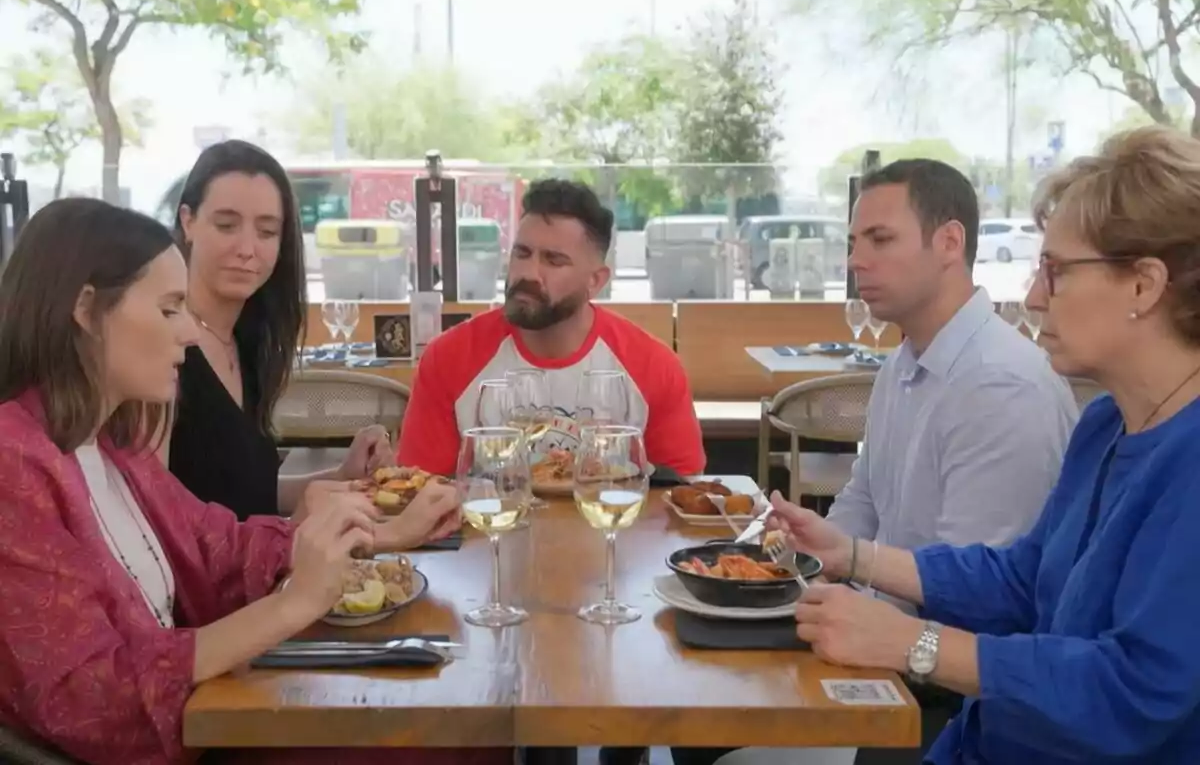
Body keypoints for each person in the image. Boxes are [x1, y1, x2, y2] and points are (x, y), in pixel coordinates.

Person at [0, 198, 493, 765]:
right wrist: (294, 604)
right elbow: (87, 699)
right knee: (454, 739)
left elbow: (217, 546)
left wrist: (374, 534)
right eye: (168, 310)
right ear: (86, 310)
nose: (188, 331)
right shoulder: (15, 464)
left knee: (469, 729)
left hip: (203, 720)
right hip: (172, 744)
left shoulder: (109, 441)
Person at [770, 126, 1200, 764]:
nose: (1031, 297)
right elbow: (1024, 579)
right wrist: (852, 555)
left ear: (1144, 284)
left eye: (1056, 271)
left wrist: (912, 642)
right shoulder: (1107, 423)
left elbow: (1130, 692)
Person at [670, 160, 1079, 765]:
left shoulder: (1002, 386)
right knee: (697, 698)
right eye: (853, 243)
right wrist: (804, 552)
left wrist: (842, 591)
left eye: (880, 240)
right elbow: (861, 503)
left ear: (949, 243)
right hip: (887, 641)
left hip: (946, 700)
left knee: (706, 733)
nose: (856, 261)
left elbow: (981, 596)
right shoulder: (902, 365)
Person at [399, 178, 705, 475]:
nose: (528, 273)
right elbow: (420, 493)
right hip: (490, 526)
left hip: (608, 524)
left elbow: (679, 499)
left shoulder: (652, 365)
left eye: (554, 261)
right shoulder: (449, 358)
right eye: (522, 253)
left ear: (595, 281)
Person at [164, 140, 393, 521]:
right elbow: (165, 519)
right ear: (188, 221)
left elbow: (247, 491)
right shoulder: (164, 347)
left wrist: (343, 476)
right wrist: (298, 532)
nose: (248, 249)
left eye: (267, 232)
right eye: (226, 225)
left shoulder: (246, 342)